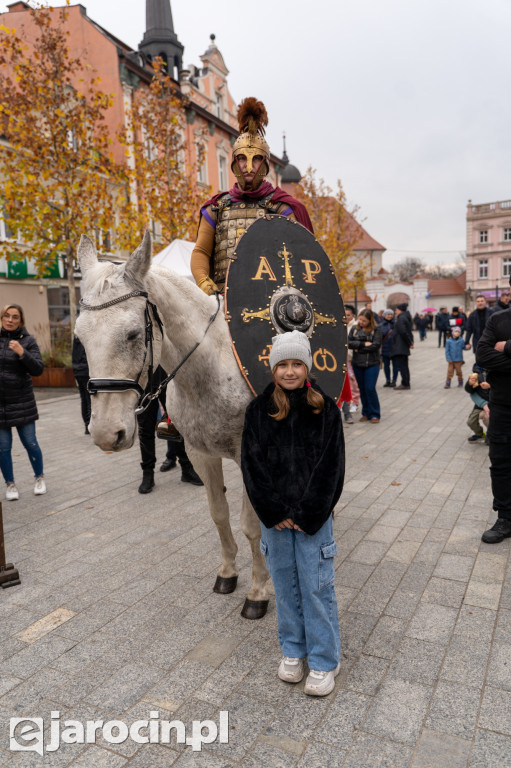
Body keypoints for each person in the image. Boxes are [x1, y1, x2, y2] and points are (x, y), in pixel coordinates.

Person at [241, 330, 344, 696]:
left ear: (307, 366)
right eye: (282, 364)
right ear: (273, 368)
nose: (289, 371)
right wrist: (274, 510)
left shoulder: (325, 409)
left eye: (296, 364)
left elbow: (331, 468)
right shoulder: (258, 410)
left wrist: (307, 512)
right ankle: (293, 651)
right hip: (276, 522)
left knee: (316, 588)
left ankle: (323, 660)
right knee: (285, 587)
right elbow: (252, 466)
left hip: (314, 520)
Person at [191, 98, 313, 295]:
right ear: (234, 162)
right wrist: (204, 282)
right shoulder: (216, 208)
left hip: (272, 300)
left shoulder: (281, 208)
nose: (248, 166)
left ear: (264, 163)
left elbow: (300, 256)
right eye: (242, 158)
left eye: (256, 159)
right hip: (223, 299)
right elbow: (201, 252)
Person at [476, 284, 511, 543]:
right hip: (503, 404)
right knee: (500, 461)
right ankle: (506, 517)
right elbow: (483, 355)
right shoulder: (498, 319)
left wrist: (507, 347)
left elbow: (496, 353)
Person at [0, 303, 45, 500]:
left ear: (21, 320)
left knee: (31, 443)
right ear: (2, 318)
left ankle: (39, 478)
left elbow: (38, 369)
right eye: (6, 316)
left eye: (15, 317)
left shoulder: (28, 341)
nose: (10, 320)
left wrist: (21, 353)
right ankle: (10, 485)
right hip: (0, 405)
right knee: (3, 448)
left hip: (22, 402)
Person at [137, 367, 203, 493]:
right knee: (145, 429)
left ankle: (186, 467)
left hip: (165, 375)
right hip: (143, 378)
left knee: (175, 423)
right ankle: (148, 473)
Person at [348, 309, 383, 422]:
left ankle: (375, 414)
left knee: (370, 388)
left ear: (370, 320)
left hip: (372, 363)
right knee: (362, 389)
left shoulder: (376, 329)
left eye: (364, 321)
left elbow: (376, 346)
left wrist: (359, 349)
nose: (361, 322)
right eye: (360, 319)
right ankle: (366, 412)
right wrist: (363, 344)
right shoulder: (354, 329)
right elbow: (348, 343)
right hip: (357, 363)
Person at [340, 304, 360, 424]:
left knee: (351, 382)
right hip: (341, 359)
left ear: (352, 315)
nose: (346, 317)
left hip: (351, 359)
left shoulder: (356, 326)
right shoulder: (338, 325)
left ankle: (354, 403)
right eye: (344, 314)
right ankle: (346, 410)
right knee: (343, 385)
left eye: (348, 315)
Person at [391, 303, 414, 390]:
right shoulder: (405, 317)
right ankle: (406, 382)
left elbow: (403, 332)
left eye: (396, 310)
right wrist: (410, 342)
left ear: (400, 310)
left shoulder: (401, 318)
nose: (395, 312)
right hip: (402, 346)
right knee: (404, 365)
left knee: (402, 366)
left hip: (400, 346)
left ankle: (405, 383)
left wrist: (409, 342)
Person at [72, 335, 91, 434]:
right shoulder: (86, 334)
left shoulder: (76, 335)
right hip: (86, 370)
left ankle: (87, 425)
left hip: (78, 370)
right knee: (89, 399)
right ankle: (90, 425)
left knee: (84, 399)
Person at [465, 368, 490, 442]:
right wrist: (469, 384)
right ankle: (480, 434)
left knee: (487, 418)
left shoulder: (496, 372)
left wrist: (490, 386)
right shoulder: (477, 373)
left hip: (493, 404)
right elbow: (470, 391)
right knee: (471, 422)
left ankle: (491, 435)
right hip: (479, 405)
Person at [380, 308, 397, 387]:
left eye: (391, 314)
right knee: (386, 366)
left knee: (395, 366)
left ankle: (394, 381)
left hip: (394, 348)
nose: (390, 316)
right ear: (384, 316)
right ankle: (387, 380)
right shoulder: (380, 325)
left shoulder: (396, 324)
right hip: (385, 348)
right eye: (388, 314)